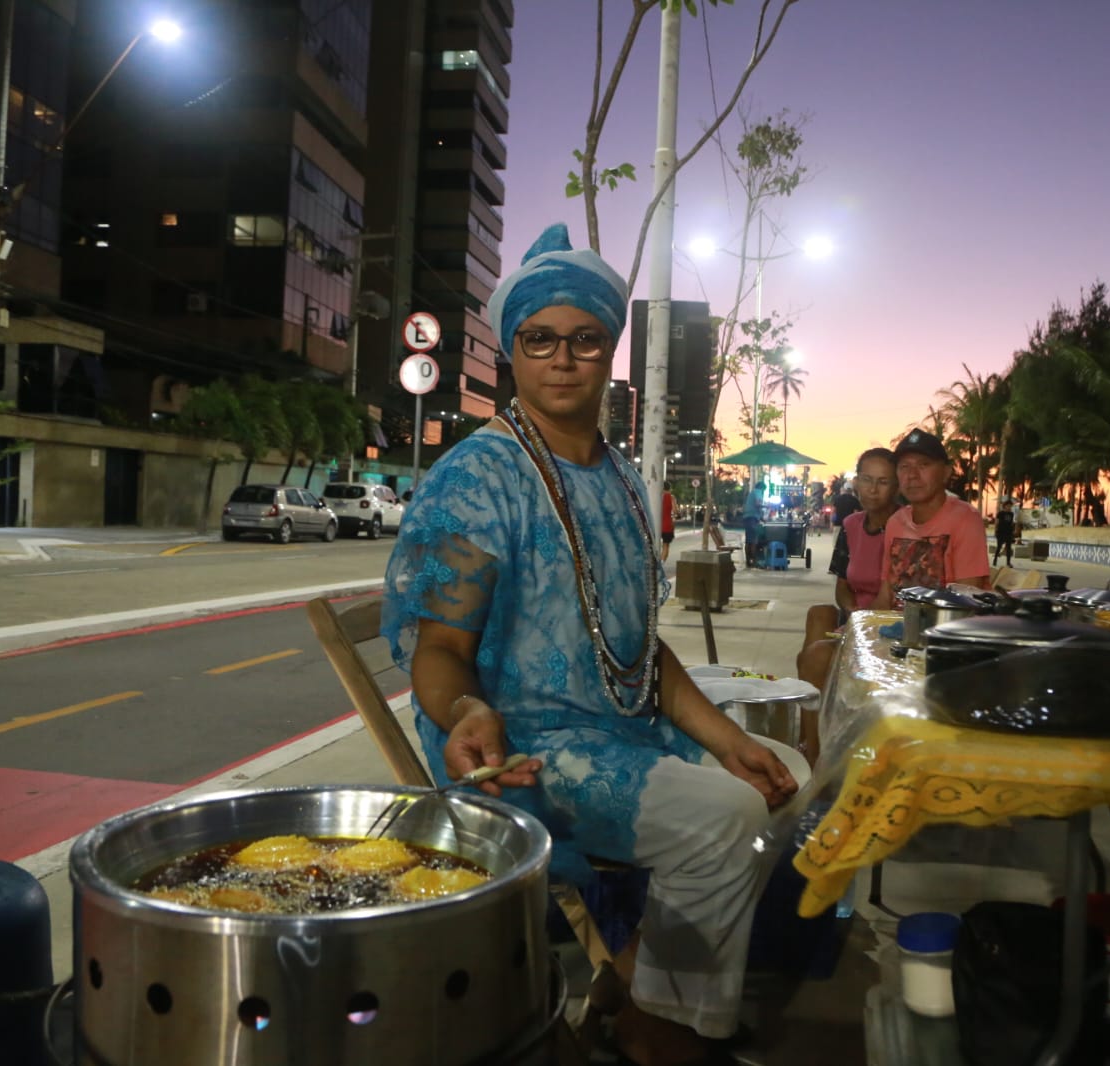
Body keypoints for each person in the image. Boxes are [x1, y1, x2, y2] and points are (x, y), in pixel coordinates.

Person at [382, 223, 801, 1065]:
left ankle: (635, 987)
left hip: (619, 723)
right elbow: (440, 650)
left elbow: (638, 649)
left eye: (584, 340)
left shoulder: (618, 477)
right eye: (539, 340)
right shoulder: (479, 478)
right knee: (726, 819)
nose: (563, 360)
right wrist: (465, 713)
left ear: (608, 350)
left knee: (787, 779)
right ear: (512, 352)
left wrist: (726, 739)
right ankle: (661, 1030)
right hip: (522, 745)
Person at [794, 448, 901, 763]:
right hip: (855, 615)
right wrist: (853, 611)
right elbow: (842, 584)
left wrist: (863, 621)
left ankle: (813, 755)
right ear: (856, 482)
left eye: (883, 481)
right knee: (819, 614)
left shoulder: (903, 526)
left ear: (896, 486)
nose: (873, 489)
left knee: (814, 657)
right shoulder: (852, 525)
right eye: (866, 479)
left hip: (887, 622)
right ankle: (808, 738)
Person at [874, 430, 992, 605]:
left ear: (946, 472)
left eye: (923, 465)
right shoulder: (895, 522)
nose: (912, 475)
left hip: (947, 620)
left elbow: (967, 601)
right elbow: (886, 593)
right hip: (899, 620)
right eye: (904, 467)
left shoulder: (965, 520)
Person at [742, 481, 766, 568]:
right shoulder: (758, 492)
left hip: (747, 517)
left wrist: (761, 518)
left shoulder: (752, 493)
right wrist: (767, 506)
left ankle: (748, 561)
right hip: (752, 518)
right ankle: (754, 561)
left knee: (748, 540)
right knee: (753, 541)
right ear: (762, 488)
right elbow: (758, 504)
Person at [992, 499, 1016, 567]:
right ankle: (995, 559)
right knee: (999, 547)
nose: (1009, 507)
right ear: (1005, 506)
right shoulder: (1000, 513)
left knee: (1008, 548)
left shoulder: (1011, 514)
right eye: (1008, 506)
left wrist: (1013, 531)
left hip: (1008, 533)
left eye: (1010, 506)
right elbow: (996, 522)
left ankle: (1008, 562)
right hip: (1001, 532)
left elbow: (1011, 523)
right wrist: (995, 531)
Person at [660, 486, 675, 562]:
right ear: (670, 489)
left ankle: (660, 561)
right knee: (666, 545)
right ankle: (662, 562)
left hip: (658, 524)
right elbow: (675, 510)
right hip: (667, 525)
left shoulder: (658, 496)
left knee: (660, 545)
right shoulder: (671, 497)